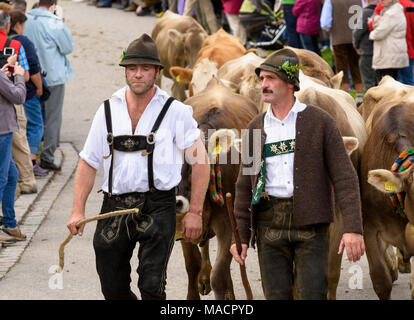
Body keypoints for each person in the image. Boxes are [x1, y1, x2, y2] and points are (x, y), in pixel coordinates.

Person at [66, 34, 210, 300]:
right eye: (132, 68)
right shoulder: (108, 110)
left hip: (157, 206)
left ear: (157, 72)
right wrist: (77, 210)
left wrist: (196, 212)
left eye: (145, 69)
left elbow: (200, 161)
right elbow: (88, 161)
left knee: (152, 286)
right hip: (114, 206)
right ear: (125, 71)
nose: (138, 75)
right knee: (112, 287)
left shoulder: (175, 111)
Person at [229, 48, 365, 300]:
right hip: (269, 225)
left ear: (290, 83)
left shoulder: (321, 123)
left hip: (312, 224)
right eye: (261, 79)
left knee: (313, 294)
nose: (264, 85)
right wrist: (242, 235)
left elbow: (345, 178)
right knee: (276, 296)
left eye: (271, 78)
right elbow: (243, 187)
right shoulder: (254, 128)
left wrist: (353, 229)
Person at [24, 0, 74, 172]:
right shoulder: (55, 23)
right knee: (52, 118)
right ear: (53, 5)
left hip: (30, 74)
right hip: (52, 76)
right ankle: (47, 156)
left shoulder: (26, 20)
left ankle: (30, 155)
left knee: (33, 117)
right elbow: (68, 47)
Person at [9, 10, 48, 178]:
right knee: (35, 125)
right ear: (18, 24)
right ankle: (32, 161)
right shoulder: (22, 41)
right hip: (26, 92)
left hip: (8, 92)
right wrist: (39, 88)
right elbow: (32, 70)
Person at [0, 60, 27, 243]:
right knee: (2, 178)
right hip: (2, 131)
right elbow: (18, 97)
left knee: (11, 175)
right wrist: (18, 75)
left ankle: (10, 223)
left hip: (4, 130)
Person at [321, 0, 364, 106]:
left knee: (341, 68)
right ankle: (359, 96)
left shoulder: (330, 1)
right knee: (356, 67)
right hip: (356, 37)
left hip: (338, 38)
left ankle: (346, 96)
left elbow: (325, 22)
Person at [369, 0, 410, 83]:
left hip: (387, 56)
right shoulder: (396, 10)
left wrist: (371, 29)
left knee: (384, 86)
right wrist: (376, 22)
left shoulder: (390, 14)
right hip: (392, 54)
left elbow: (379, 33)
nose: (381, 1)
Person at [352, 0, 378, 90]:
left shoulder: (366, 12)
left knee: (369, 83)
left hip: (367, 51)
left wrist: (356, 45)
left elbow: (357, 32)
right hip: (381, 52)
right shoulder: (384, 10)